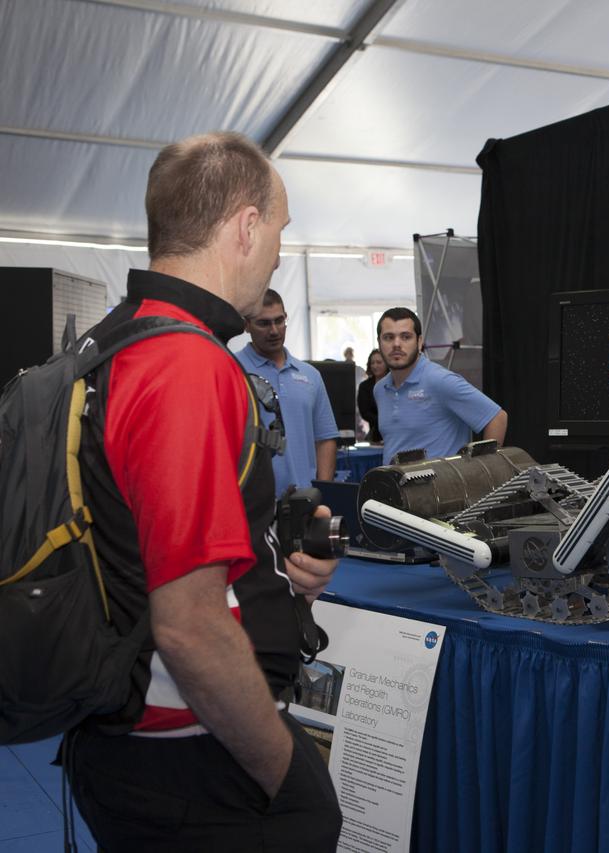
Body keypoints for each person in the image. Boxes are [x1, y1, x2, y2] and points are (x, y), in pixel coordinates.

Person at [69, 131, 342, 850]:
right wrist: (283, 772)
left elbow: (136, 543)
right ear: (246, 227)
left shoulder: (113, 343)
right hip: (186, 757)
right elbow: (189, 626)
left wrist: (277, 583)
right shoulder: (186, 363)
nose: (281, 250)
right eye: (280, 228)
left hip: (127, 741)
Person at [235, 289, 339, 495]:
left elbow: (325, 439)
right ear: (246, 325)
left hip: (305, 500)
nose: (274, 331)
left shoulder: (310, 375)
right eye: (263, 323)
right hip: (252, 502)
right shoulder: (233, 369)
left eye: (279, 320)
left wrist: (323, 493)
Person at [374, 306, 507, 464]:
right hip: (393, 486)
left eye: (406, 337)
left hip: (441, 487)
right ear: (379, 342)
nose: (396, 344)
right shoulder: (380, 389)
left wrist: (484, 471)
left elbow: (497, 418)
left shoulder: (440, 380)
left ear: (419, 342)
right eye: (388, 337)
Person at [357, 348, 386, 443]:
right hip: (375, 435)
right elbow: (365, 412)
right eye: (372, 363)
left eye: (379, 362)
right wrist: (385, 421)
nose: (375, 366)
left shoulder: (396, 382)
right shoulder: (364, 386)